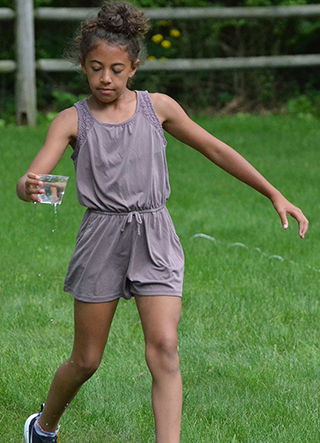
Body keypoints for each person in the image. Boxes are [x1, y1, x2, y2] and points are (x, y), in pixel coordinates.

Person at [17, 2, 309, 442]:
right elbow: (31, 177)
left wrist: (274, 193)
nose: (106, 79)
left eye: (116, 69)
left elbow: (215, 149)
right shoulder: (71, 120)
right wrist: (29, 186)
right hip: (101, 239)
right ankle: (43, 426)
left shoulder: (159, 108)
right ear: (82, 65)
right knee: (87, 360)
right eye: (96, 68)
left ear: (134, 67)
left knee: (166, 350)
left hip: (155, 236)